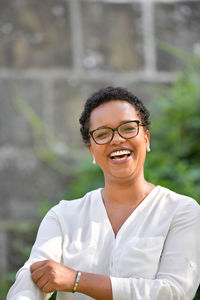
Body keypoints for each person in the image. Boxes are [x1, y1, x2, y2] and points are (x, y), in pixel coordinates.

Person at [7, 86, 200, 300]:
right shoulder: (63, 217)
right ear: (91, 150)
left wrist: (76, 280)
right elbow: (33, 276)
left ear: (146, 138)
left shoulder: (181, 211)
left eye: (127, 128)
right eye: (102, 134)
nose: (116, 139)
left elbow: (174, 292)